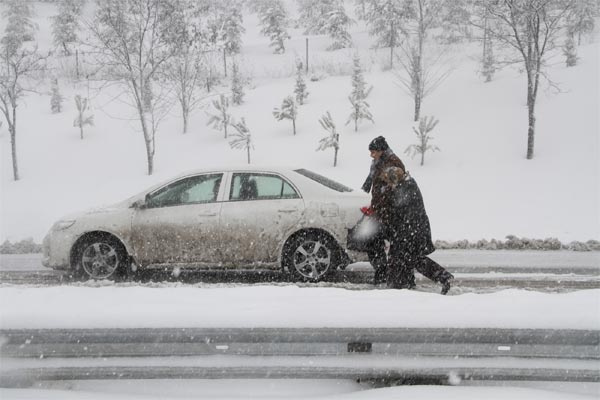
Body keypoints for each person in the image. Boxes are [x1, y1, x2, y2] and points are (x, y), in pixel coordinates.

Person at [382, 166, 454, 294]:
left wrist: (398, 231)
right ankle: (404, 284)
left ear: (395, 179)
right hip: (411, 229)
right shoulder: (406, 185)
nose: (388, 185)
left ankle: (442, 277)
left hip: (411, 230)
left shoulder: (406, 188)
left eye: (389, 181)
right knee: (407, 258)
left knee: (410, 258)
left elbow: (403, 212)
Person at [361, 136, 405, 284]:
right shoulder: (377, 163)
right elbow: (371, 183)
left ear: (381, 150)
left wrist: (387, 206)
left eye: (373, 152)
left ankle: (389, 274)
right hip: (380, 211)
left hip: (391, 212)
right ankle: (384, 271)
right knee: (374, 240)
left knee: (391, 244)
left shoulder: (393, 163)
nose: (371, 155)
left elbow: (397, 188)